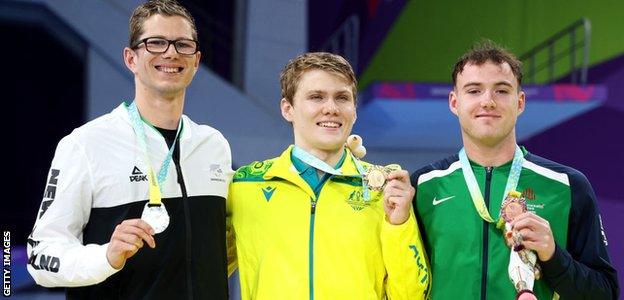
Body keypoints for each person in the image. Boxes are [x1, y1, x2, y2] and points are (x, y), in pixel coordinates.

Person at [27, 1, 233, 298]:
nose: (171, 52)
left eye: (183, 45)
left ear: (196, 60)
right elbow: (39, 257)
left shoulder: (213, 146)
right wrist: (106, 257)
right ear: (131, 58)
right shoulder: (85, 145)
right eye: (156, 43)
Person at [410, 40, 619, 299]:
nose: (488, 101)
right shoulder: (424, 185)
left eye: (501, 90)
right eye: (474, 90)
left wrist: (554, 256)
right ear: (454, 102)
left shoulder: (567, 185)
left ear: (520, 102)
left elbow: (605, 292)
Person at [227, 52, 430, 299]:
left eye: (342, 98)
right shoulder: (245, 186)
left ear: (354, 110)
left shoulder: (384, 189)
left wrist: (399, 225)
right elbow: (203, 272)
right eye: (316, 97)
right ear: (287, 109)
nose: (331, 109)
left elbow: (412, 295)